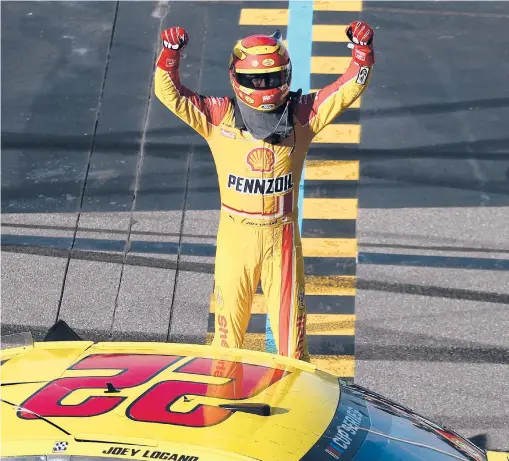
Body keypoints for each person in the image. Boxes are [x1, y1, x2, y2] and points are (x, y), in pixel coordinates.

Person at [154, 21, 375, 362]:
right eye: (255, 80)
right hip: (236, 242)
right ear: (236, 78)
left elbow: (346, 89)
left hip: (282, 241)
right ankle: (220, 405)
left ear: (285, 76)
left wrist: (363, 52)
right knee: (226, 347)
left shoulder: (303, 115)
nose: (264, 86)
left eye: (271, 78)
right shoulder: (219, 116)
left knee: (293, 350)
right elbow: (169, 93)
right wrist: (170, 54)